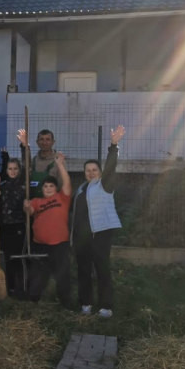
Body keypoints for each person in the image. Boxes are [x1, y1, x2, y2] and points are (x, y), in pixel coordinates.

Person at [72, 126, 125, 318]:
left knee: (102, 269)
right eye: (88, 170)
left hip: (100, 234)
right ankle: (85, 303)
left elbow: (110, 167)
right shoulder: (81, 189)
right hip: (82, 237)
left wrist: (114, 146)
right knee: (83, 270)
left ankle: (106, 307)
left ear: (100, 172)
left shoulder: (105, 185)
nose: (91, 172)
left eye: (94, 170)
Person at [24, 152, 73, 307]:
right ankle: (34, 299)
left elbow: (67, 183)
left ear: (56, 188)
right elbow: (30, 212)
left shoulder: (62, 198)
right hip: (40, 244)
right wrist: (26, 207)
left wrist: (60, 165)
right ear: (42, 189)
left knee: (62, 273)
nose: (49, 188)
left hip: (60, 244)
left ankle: (65, 301)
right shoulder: (36, 201)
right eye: (45, 186)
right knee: (38, 273)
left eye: (51, 186)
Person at [0, 143, 28, 297]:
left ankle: (21, 287)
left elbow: (26, 163)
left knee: (18, 257)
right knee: (8, 257)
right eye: (10, 169)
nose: (13, 171)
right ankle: (9, 287)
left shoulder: (22, 183)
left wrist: (24, 147)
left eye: (15, 169)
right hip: (5, 226)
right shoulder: (3, 185)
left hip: (18, 225)